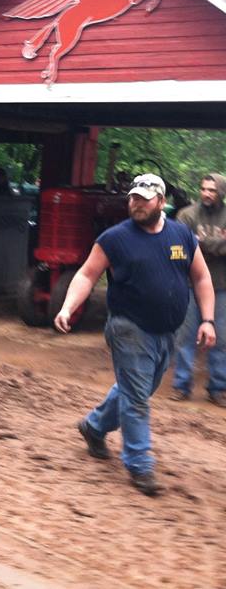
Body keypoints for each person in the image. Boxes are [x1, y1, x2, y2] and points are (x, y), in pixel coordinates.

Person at [54, 173, 215, 496]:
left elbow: (201, 278)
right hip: (129, 327)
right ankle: (140, 464)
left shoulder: (181, 235)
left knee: (137, 389)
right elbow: (87, 275)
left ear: (162, 202)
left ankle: (94, 426)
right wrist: (67, 308)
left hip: (168, 330)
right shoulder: (114, 238)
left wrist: (208, 319)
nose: (136, 204)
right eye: (133, 198)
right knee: (137, 397)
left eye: (144, 199)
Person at [170, 173, 226, 406]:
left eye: (212, 190)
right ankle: (181, 385)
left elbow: (192, 244)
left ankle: (218, 388)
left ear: (221, 192)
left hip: (221, 285)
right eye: (204, 189)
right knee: (185, 336)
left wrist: (199, 242)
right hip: (190, 284)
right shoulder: (186, 215)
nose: (207, 194)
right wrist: (219, 244)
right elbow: (179, 248)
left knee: (221, 339)